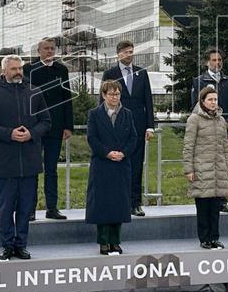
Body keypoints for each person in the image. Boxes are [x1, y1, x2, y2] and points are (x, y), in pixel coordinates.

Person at [0, 55, 51, 261]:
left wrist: (32, 133)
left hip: (29, 159)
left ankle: (22, 245)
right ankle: (7, 245)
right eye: (13, 69)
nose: (18, 72)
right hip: (6, 160)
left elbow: (46, 121)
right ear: (4, 71)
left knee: (25, 207)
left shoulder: (35, 92)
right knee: (6, 207)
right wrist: (9, 133)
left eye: (20, 68)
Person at [102, 40, 155, 216]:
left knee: (136, 165)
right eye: (125, 52)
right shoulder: (110, 73)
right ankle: (119, 202)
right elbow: (102, 100)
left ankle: (135, 203)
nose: (129, 55)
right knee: (118, 164)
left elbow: (148, 100)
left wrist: (150, 126)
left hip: (138, 126)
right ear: (118, 53)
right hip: (118, 125)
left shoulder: (141, 73)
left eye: (131, 51)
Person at [23, 38, 74, 221]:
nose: (49, 51)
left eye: (52, 48)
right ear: (38, 50)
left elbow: (66, 97)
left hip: (55, 126)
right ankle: (30, 209)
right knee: (33, 169)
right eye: (46, 48)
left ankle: (52, 208)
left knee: (51, 169)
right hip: (34, 127)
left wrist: (68, 125)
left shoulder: (62, 70)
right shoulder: (28, 69)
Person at [86, 79, 138, 255]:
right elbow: (92, 138)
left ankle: (115, 241)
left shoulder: (128, 114)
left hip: (121, 165)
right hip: (102, 164)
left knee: (119, 204)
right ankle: (103, 241)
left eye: (117, 94)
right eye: (111, 94)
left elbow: (133, 138)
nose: (115, 97)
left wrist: (123, 153)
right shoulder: (94, 114)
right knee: (103, 204)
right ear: (103, 95)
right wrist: (107, 153)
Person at [190, 48, 228, 213]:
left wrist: (226, 123)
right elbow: (194, 107)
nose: (217, 63)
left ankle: (222, 200)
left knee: (222, 165)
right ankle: (207, 199)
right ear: (207, 62)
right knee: (207, 166)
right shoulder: (199, 81)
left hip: (223, 130)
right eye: (214, 60)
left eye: (220, 60)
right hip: (205, 132)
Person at [182, 88, 228, 249]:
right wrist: (188, 169)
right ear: (202, 101)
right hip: (201, 170)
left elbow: (225, 146)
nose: (213, 103)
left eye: (215, 99)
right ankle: (204, 238)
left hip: (218, 170)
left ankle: (214, 237)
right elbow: (188, 146)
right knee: (203, 208)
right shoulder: (194, 120)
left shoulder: (221, 120)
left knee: (216, 208)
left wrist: (227, 167)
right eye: (210, 99)